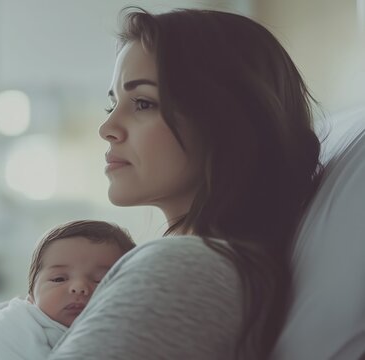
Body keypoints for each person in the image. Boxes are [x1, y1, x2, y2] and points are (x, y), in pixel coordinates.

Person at [48, 7, 322, 360]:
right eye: (113, 104)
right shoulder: (214, 263)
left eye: (143, 103)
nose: (107, 129)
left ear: (225, 123)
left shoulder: (184, 269)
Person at [0, 220, 136, 360]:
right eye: (59, 279)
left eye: (100, 280)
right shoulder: (13, 325)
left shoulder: (123, 338)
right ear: (31, 297)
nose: (79, 287)